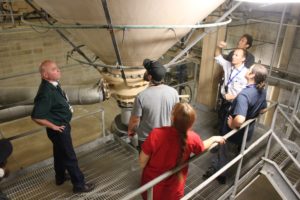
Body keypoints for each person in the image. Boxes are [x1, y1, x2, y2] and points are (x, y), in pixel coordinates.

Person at [31, 60, 94, 193]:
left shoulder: (53, 84)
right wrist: (53, 126)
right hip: (59, 129)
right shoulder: (45, 93)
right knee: (69, 156)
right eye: (54, 69)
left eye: (57, 68)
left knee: (59, 153)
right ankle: (79, 185)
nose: (58, 70)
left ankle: (59, 177)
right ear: (45, 75)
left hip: (61, 127)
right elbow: (36, 115)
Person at [139, 103, 225, 200]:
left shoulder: (156, 134)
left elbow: (142, 162)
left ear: (172, 117)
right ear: (192, 123)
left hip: (150, 188)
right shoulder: (192, 138)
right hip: (173, 192)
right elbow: (201, 147)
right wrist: (213, 138)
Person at [204, 64, 268, 184]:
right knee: (228, 149)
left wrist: (233, 124)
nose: (247, 69)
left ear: (252, 75)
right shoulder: (262, 90)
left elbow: (239, 119)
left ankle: (220, 174)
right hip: (246, 131)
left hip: (232, 132)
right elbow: (263, 109)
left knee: (223, 152)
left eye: (249, 69)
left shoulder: (244, 95)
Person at [128, 59, 179, 149]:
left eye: (146, 71)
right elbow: (176, 114)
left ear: (150, 77)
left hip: (147, 139)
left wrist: (131, 133)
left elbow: (135, 121)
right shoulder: (174, 92)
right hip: (166, 136)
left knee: (146, 162)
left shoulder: (141, 96)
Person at [215, 41, 249, 134]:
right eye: (234, 54)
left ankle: (224, 145)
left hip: (235, 104)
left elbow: (247, 93)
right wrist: (218, 47)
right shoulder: (228, 65)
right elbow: (218, 56)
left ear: (243, 59)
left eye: (237, 55)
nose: (233, 56)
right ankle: (220, 141)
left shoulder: (246, 73)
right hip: (224, 101)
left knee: (229, 128)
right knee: (221, 122)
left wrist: (233, 97)